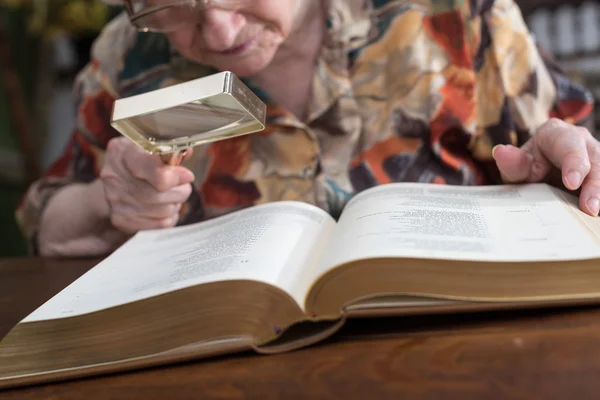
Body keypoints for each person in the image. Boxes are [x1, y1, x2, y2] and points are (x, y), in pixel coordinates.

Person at [16, 0, 600, 257]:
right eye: (174, 9)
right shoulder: (125, 59)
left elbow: (572, 153)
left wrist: (562, 169)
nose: (219, 34)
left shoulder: (458, 14)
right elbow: (48, 225)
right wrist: (106, 201)